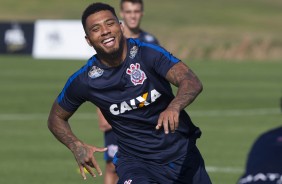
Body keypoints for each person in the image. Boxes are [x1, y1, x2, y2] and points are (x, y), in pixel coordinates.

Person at [47, 2, 212, 184]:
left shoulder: (148, 54)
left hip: (182, 155)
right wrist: (75, 145)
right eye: (96, 28)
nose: (105, 31)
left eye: (110, 24)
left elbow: (191, 81)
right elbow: (56, 118)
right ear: (88, 40)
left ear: (121, 26)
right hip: (136, 164)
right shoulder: (85, 80)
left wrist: (174, 107)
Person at [97, 1, 160, 183]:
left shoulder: (151, 42)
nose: (133, 15)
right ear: (122, 15)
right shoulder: (112, 42)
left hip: (145, 116)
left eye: (136, 11)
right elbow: (99, 80)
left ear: (142, 13)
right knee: (112, 165)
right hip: (117, 113)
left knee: (146, 167)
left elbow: (158, 79)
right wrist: (101, 111)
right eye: (129, 11)